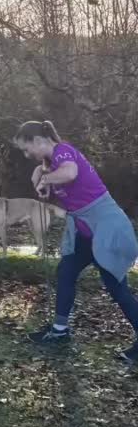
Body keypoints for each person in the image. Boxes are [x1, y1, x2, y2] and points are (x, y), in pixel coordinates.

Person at [14, 118, 138, 361]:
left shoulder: (64, 151)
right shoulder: (49, 163)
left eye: (26, 148)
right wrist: (43, 180)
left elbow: (70, 173)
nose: (26, 154)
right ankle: (60, 330)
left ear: (38, 140)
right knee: (66, 271)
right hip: (84, 230)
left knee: (116, 286)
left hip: (106, 226)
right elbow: (64, 186)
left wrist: (45, 178)